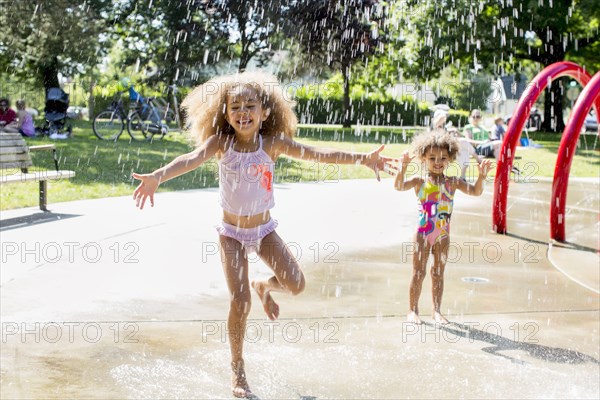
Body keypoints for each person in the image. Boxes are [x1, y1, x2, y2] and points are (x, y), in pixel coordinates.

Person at [132, 71, 392, 398]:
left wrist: (361, 159)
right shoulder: (221, 143)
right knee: (239, 302)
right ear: (225, 114)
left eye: (250, 106)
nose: (243, 112)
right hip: (231, 235)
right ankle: (237, 369)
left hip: (264, 231)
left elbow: (319, 155)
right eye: (235, 106)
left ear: (265, 112)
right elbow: (190, 159)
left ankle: (263, 286)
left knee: (295, 284)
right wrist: (158, 175)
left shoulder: (273, 144)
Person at [385, 131, 492, 325]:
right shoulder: (419, 181)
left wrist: (482, 177)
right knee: (418, 272)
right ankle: (412, 310)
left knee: (438, 273)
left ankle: (436, 311)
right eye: (432, 158)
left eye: (443, 158)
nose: (437, 162)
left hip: (443, 235)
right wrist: (403, 169)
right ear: (423, 158)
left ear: (451, 159)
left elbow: (476, 192)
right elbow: (399, 186)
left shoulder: (453, 182)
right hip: (422, 234)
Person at [432, 109, 481, 180]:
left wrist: (454, 133)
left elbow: (447, 137)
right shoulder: (434, 125)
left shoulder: (444, 127)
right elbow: (437, 126)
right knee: (463, 141)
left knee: (464, 151)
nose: (444, 118)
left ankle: (462, 176)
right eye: (443, 117)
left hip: (447, 148)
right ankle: (478, 158)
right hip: (438, 149)